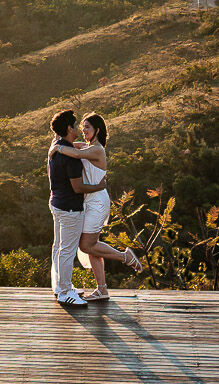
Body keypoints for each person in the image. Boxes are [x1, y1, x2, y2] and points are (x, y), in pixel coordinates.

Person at [51, 112, 142, 301]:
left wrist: (58, 148)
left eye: (88, 127)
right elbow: (72, 146)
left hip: (98, 202)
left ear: (97, 130)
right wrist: (55, 145)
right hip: (89, 201)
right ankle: (102, 290)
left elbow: (74, 152)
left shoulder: (97, 150)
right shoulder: (88, 146)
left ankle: (125, 257)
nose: (83, 131)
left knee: (86, 244)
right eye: (82, 127)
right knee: (91, 246)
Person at [46, 109, 91, 306]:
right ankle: (65, 292)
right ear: (68, 128)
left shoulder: (56, 147)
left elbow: (76, 145)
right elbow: (78, 187)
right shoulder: (70, 157)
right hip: (70, 208)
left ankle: (60, 286)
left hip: (56, 203)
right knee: (67, 250)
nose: (78, 128)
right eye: (75, 125)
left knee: (58, 247)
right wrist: (100, 186)